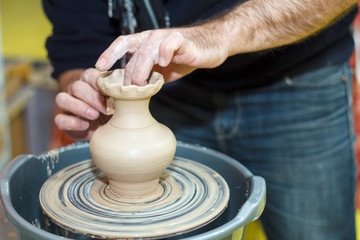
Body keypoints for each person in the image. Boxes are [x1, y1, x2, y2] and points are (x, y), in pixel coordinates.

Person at [42, 0, 358, 239]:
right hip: (164, 90)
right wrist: (89, 94)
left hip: (294, 79)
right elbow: (76, 40)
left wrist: (217, 36)